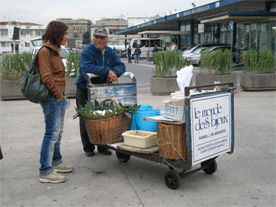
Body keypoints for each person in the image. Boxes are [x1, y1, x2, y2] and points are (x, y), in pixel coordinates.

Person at [76, 28, 126, 157]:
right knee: (86, 118)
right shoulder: (88, 50)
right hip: (86, 89)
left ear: (106, 40)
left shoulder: (110, 52)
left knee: (103, 117)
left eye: (102, 38)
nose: (99, 40)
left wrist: (114, 72)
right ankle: (88, 147)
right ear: (93, 38)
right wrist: (107, 71)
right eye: (97, 37)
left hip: (103, 90)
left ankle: (103, 146)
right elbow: (86, 67)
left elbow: (121, 66)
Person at [37, 21, 73, 183]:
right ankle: (45, 170)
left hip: (58, 95)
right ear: (57, 34)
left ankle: (56, 161)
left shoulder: (55, 51)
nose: (68, 36)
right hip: (52, 97)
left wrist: (61, 94)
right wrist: (59, 95)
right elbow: (46, 77)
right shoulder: (45, 52)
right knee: (51, 133)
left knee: (57, 132)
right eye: (65, 33)